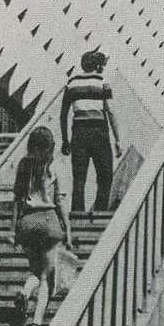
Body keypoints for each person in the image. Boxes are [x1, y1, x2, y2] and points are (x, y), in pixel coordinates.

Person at [10, 126, 73, 326]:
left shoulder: (23, 166)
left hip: (27, 222)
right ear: (50, 147)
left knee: (35, 271)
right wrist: (68, 229)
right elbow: (60, 200)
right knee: (47, 277)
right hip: (48, 222)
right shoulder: (55, 166)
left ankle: (25, 293)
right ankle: (36, 323)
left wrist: (14, 229)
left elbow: (17, 200)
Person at [60, 50, 121, 213]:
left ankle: (77, 213)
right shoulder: (102, 81)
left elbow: (63, 113)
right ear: (97, 65)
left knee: (79, 177)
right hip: (99, 131)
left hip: (78, 132)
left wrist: (65, 140)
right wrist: (117, 139)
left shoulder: (71, 82)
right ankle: (100, 211)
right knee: (105, 174)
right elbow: (111, 111)